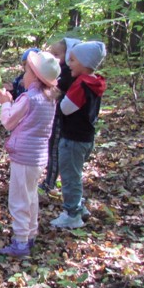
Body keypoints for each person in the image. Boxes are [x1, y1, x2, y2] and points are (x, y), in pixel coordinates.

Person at [0, 51, 61, 257]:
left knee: (19, 199)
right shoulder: (49, 98)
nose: (23, 75)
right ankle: (30, 234)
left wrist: (5, 102)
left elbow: (8, 121)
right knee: (30, 196)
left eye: (26, 71)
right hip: (39, 157)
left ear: (34, 75)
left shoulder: (29, 98)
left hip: (24, 156)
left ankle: (20, 242)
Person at [50, 41, 107, 229]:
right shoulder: (94, 82)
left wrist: (57, 96)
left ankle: (71, 213)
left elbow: (66, 108)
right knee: (75, 173)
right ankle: (79, 207)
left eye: (73, 60)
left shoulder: (81, 84)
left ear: (84, 63)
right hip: (85, 137)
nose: (69, 64)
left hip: (73, 138)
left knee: (70, 176)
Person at [41, 36, 80, 194]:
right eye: (52, 55)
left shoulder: (68, 74)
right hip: (54, 116)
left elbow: (62, 94)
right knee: (52, 149)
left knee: (55, 150)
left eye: (58, 55)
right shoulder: (57, 71)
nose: (54, 59)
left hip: (62, 120)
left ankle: (49, 183)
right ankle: (50, 180)